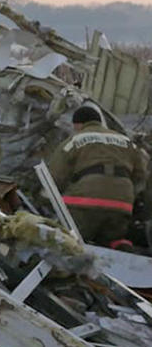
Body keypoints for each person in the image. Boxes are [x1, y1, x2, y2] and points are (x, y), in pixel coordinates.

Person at [48, 107, 147, 250]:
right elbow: (140, 175)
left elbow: (55, 176)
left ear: (77, 124)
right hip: (122, 204)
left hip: (84, 203)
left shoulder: (75, 140)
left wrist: (45, 200)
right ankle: (119, 246)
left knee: (71, 242)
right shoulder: (127, 142)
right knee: (111, 240)